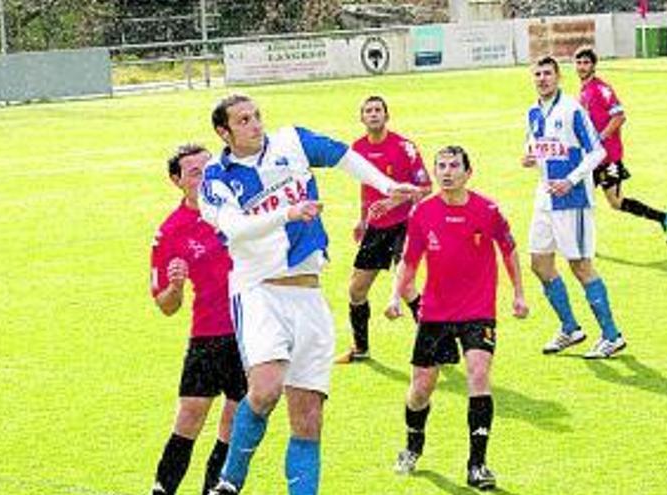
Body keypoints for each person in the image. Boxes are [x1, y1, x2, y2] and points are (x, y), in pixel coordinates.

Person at [201, 94, 419, 495]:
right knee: (265, 389)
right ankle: (229, 482)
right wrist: (288, 213)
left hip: (309, 296)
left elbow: (341, 155)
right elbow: (234, 227)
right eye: (244, 120)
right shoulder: (215, 178)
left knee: (308, 417)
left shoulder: (291, 142)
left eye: (257, 116)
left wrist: (388, 186)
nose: (255, 125)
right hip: (260, 293)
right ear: (223, 132)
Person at [386, 145, 528, 491]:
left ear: (468, 172)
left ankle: (477, 465)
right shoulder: (423, 213)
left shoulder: (488, 210)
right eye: (441, 166)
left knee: (478, 375)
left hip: (478, 311)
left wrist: (519, 293)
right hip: (435, 313)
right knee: (421, 389)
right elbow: (409, 260)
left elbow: (508, 250)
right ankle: (413, 443)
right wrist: (395, 296)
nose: (446, 172)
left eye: (453, 166)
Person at [149, 144, 248, 495]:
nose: (206, 177)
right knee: (189, 418)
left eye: (210, 168)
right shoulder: (171, 231)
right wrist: (175, 286)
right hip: (208, 336)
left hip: (251, 333)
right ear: (177, 181)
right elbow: (165, 304)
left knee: (234, 425)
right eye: (195, 172)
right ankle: (162, 488)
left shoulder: (241, 209)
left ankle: (213, 490)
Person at [522, 55, 625, 359]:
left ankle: (611, 335)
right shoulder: (533, 112)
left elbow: (597, 152)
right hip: (544, 199)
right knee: (539, 263)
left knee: (580, 266)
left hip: (573, 199)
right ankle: (570, 328)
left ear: (558, 77)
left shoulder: (572, 110)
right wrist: (528, 157)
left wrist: (570, 179)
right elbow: (535, 146)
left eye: (547, 74)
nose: (542, 79)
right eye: (537, 74)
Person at [335, 95, 432, 364]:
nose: (374, 114)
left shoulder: (405, 147)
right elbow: (364, 186)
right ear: (362, 118)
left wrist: (393, 201)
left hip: (405, 224)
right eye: (369, 111)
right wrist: (362, 219)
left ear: (386, 116)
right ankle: (361, 348)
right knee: (356, 290)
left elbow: (426, 188)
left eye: (378, 110)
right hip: (376, 227)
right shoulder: (357, 149)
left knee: (406, 285)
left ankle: (435, 345)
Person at [574, 47, 667, 244]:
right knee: (589, 199)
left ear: (593, 65)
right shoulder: (584, 90)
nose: (582, 66)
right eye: (579, 62)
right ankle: (664, 217)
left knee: (611, 201)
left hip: (608, 157)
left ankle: (664, 217)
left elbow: (619, 117)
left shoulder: (602, 89)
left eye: (586, 62)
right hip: (594, 157)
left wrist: (599, 138)